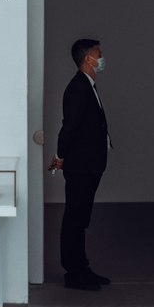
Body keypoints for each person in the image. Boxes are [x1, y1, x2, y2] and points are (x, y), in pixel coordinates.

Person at [48, 38, 112, 291]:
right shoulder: (78, 88)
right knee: (75, 217)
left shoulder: (87, 85)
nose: (102, 56)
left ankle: (82, 267)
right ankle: (73, 273)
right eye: (99, 53)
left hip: (89, 164)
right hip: (81, 166)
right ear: (88, 58)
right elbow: (70, 126)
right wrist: (60, 156)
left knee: (81, 217)